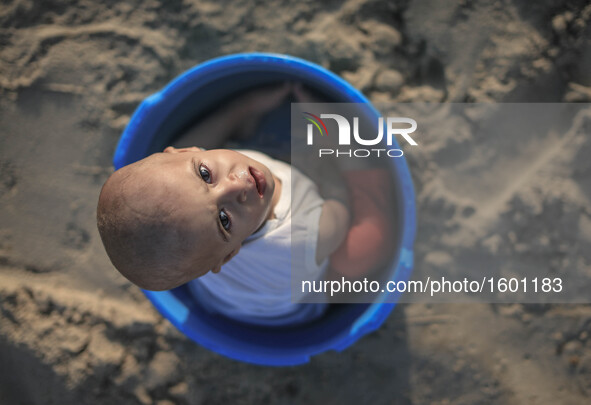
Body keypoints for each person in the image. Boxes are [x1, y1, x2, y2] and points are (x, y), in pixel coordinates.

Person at [97, 83, 393, 325]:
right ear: (230, 254)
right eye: (224, 220)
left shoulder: (196, 227)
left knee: (190, 239)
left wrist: (243, 106)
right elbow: (339, 209)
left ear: (187, 150)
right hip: (299, 302)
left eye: (205, 174)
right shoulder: (300, 235)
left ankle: (239, 121)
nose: (237, 186)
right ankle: (359, 165)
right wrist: (326, 169)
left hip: (224, 302)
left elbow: (190, 151)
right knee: (366, 245)